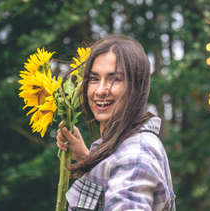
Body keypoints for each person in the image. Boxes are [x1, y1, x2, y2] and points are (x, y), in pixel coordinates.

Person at [56, 34, 175, 211]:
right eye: (94, 78)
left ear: (136, 87)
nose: (101, 90)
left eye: (115, 79)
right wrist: (86, 158)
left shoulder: (135, 155)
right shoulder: (123, 146)